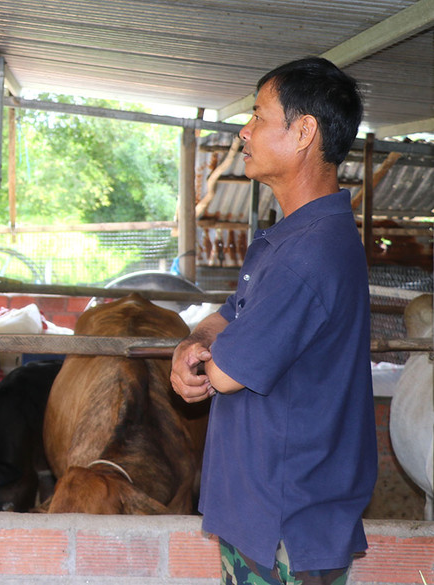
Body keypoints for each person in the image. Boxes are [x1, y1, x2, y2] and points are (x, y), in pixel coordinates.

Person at [170, 57, 377, 584]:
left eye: (259, 116)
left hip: (287, 524)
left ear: (303, 131)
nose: (245, 130)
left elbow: (225, 373)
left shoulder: (309, 253)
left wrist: (204, 361)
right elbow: (223, 322)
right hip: (266, 513)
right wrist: (190, 344)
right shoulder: (288, 239)